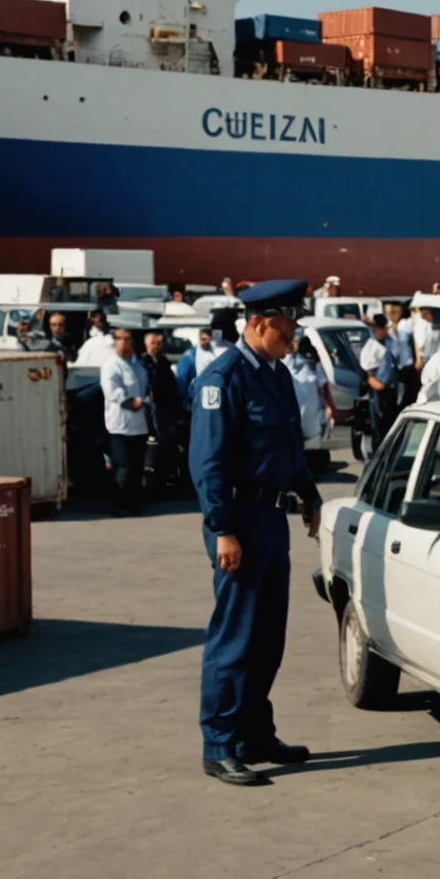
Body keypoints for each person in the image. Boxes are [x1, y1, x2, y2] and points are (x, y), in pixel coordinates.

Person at [188, 279, 321, 787]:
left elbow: (289, 445)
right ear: (260, 323)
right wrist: (222, 529)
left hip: (274, 520)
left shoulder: (278, 375)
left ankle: (255, 735)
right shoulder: (223, 380)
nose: (293, 338)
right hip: (239, 522)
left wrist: (308, 494)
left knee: (267, 638)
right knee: (235, 637)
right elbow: (210, 464)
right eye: (287, 329)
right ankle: (220, 745)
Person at [100, 328, 150, 516]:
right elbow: (112, 391)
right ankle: (120, 504)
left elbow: (144, 388)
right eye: (120, 339)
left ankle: (134, 503)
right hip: (119, 425)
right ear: (115, 342)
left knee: (137, 467)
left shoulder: (138, 366)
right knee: (123, 467)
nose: (124, 342)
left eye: (127, 339)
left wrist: (143, 401)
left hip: (138, 426)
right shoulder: (111, 365)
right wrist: (131, 401)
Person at [140, 330, 188, 497]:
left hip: (164, 411)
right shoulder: (142, 363)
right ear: (146, 345)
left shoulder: (164, 363)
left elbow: (172, 390)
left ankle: (163, 483)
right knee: (151, 449)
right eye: (152, 343)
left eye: (158, 343)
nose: (155, 346)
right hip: (148, 410)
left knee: (165, 448)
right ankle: (151, 485)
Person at [359, 314, 400, 453]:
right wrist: (371, 379)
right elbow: (366, 367)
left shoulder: (390, 342)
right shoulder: (371, 345)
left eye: (380, 328)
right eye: (375, 328)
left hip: (390, 389)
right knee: (378, 426)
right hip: (377, 390)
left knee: (390, 425)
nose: (378, 331)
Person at [286, 339, 334, 449]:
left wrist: (330, 407)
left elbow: (323, 385)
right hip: (290, 417)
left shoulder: (311, 361)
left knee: (312, 449)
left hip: (311, 414)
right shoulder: (280, 361)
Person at [177, 327, 221, 403]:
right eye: (203, 339)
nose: (206, 342)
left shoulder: (214, 354)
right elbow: (182, 380)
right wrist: (186, 399)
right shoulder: (190, 357)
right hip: (195, 397)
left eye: (208, 340)